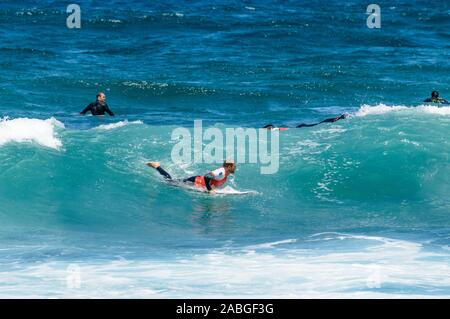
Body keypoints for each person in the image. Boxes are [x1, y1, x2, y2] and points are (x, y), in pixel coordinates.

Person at [147, 160, 236, 193]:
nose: (235, 167)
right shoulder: (221, 171)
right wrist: (210, 190)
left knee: (172, 181)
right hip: (194, 181)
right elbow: (207, 176)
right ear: (228, 166)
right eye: (234, 166)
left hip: (196, 181)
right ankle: (157, 166)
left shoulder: (224, 172)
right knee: (169, 181)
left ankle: (158, 166)